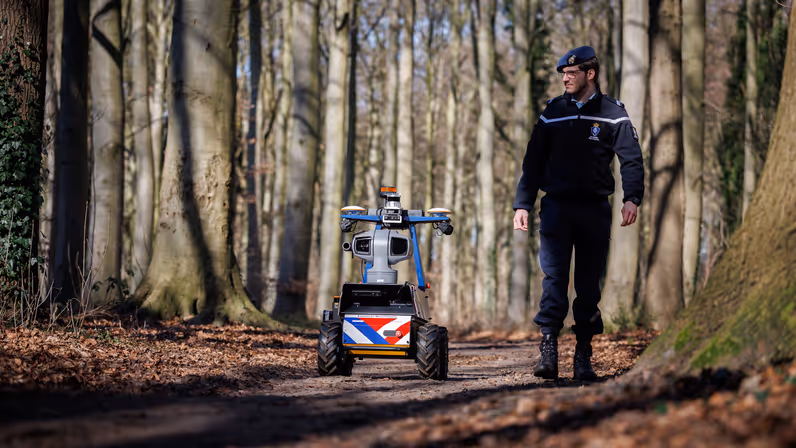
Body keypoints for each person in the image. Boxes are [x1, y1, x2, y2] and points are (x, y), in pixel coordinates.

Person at [512, 46, 644, 381]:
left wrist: (632, 198)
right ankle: (548, 349)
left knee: (587, 285)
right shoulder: (553, 111)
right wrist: (522, 204)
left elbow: (631, 158)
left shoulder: (613, 112)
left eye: (572, 73)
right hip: (556, 208)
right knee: (554, 280)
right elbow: (533, 162)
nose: (565, 79)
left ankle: (583, 354)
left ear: (590, 74)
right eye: (563, 74)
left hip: (594, 210)